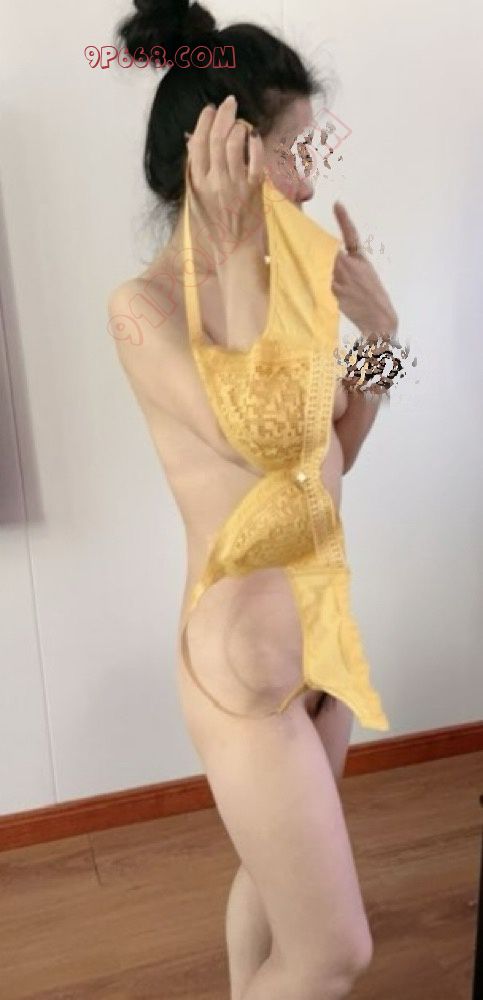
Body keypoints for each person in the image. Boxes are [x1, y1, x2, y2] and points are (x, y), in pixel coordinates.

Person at [109, 3, 399, 998]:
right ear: (219, 151)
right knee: (333, 952)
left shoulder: (292, 280)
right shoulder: (144, 310)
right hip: (244, 663)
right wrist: (236, 250)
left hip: (320, 632)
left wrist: (382, 342)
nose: (309, 181)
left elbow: (327, 462)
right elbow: (265, 437)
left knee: (275, 888)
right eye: (288, 154)